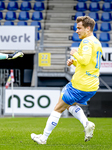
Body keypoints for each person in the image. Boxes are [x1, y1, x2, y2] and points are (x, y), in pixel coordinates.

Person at [31, 16, 103, 144]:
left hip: (80, 84)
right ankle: (86, 123)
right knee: (70, 105)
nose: (76, 30)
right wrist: (75, 62)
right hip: (92, 85)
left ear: (88, 28)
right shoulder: (97, 42)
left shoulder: (86, 42)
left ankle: (43, 138)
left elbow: (85, 60)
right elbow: (88, 64)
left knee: (58, 108)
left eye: (79, 28)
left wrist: (74, 53)